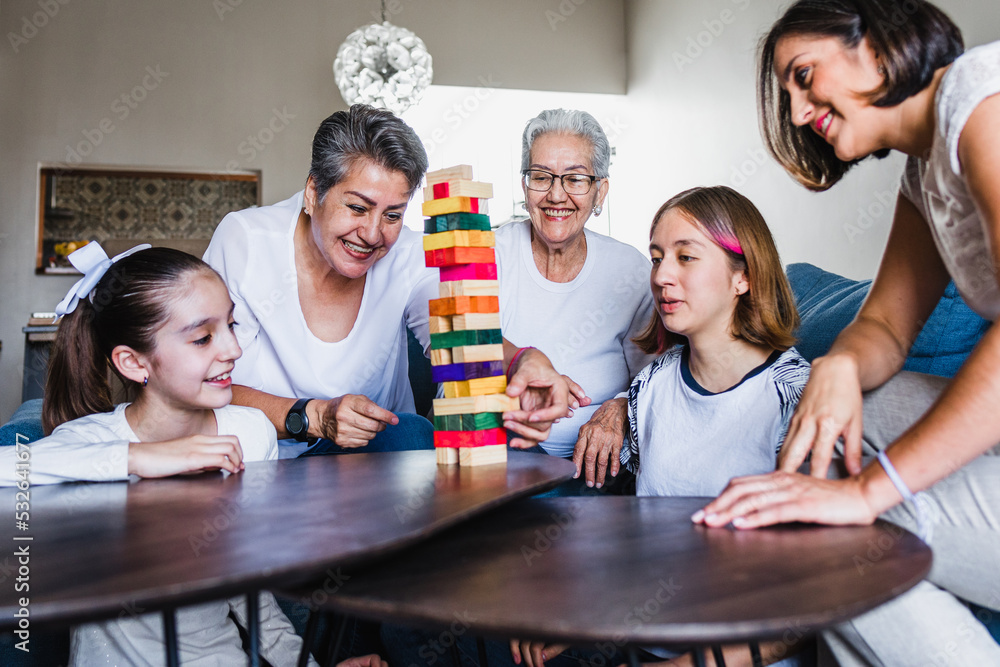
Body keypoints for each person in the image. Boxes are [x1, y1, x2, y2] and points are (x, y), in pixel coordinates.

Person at [695, 1, 1000, 664]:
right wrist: (836, 369)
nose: (799, 112)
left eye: (804, 76)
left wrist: (867, 493)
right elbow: (887, 324)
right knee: (855, 421)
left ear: (878, 37)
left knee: (823, 531)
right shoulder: (927, 170)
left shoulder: (984, 100)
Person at [1, 242, 386, 667]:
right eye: (203, 338)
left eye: (231, 326)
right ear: (132, 363)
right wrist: (140, 458)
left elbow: (248, 591)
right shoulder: (92, 439)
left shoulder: (252, 432)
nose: (234, 351)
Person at [515, 187, 810, 667]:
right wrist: (580, 613)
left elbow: (821, 596)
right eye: (656, 258)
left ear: (744, 276)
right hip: (644, 638)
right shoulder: (652, 383)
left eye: (685, 257)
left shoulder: (796, 396)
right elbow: (616, 521)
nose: (661, 276)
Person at [203, 104, 575, 456]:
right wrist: (315, 416)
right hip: (269, 460)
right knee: (411, 432)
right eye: (357, 208)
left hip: (380, 460)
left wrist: (523, 362)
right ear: (313, 192)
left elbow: (460, 337)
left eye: (392, 215)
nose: (371, 233)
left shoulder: (408, 255)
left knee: (474, 425)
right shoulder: (247, 240)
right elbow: (198, 380)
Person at [496, 109, 654, 491]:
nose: (555, 195)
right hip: (502, 456)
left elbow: (656, 374)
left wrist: (620, 408)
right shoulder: (489, 253)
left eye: (575, 179)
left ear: (600, 191)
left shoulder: (631, 270)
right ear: (524, 186)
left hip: (594, 469)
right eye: (541, 177)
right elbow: (456, 346)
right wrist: (515, 370)